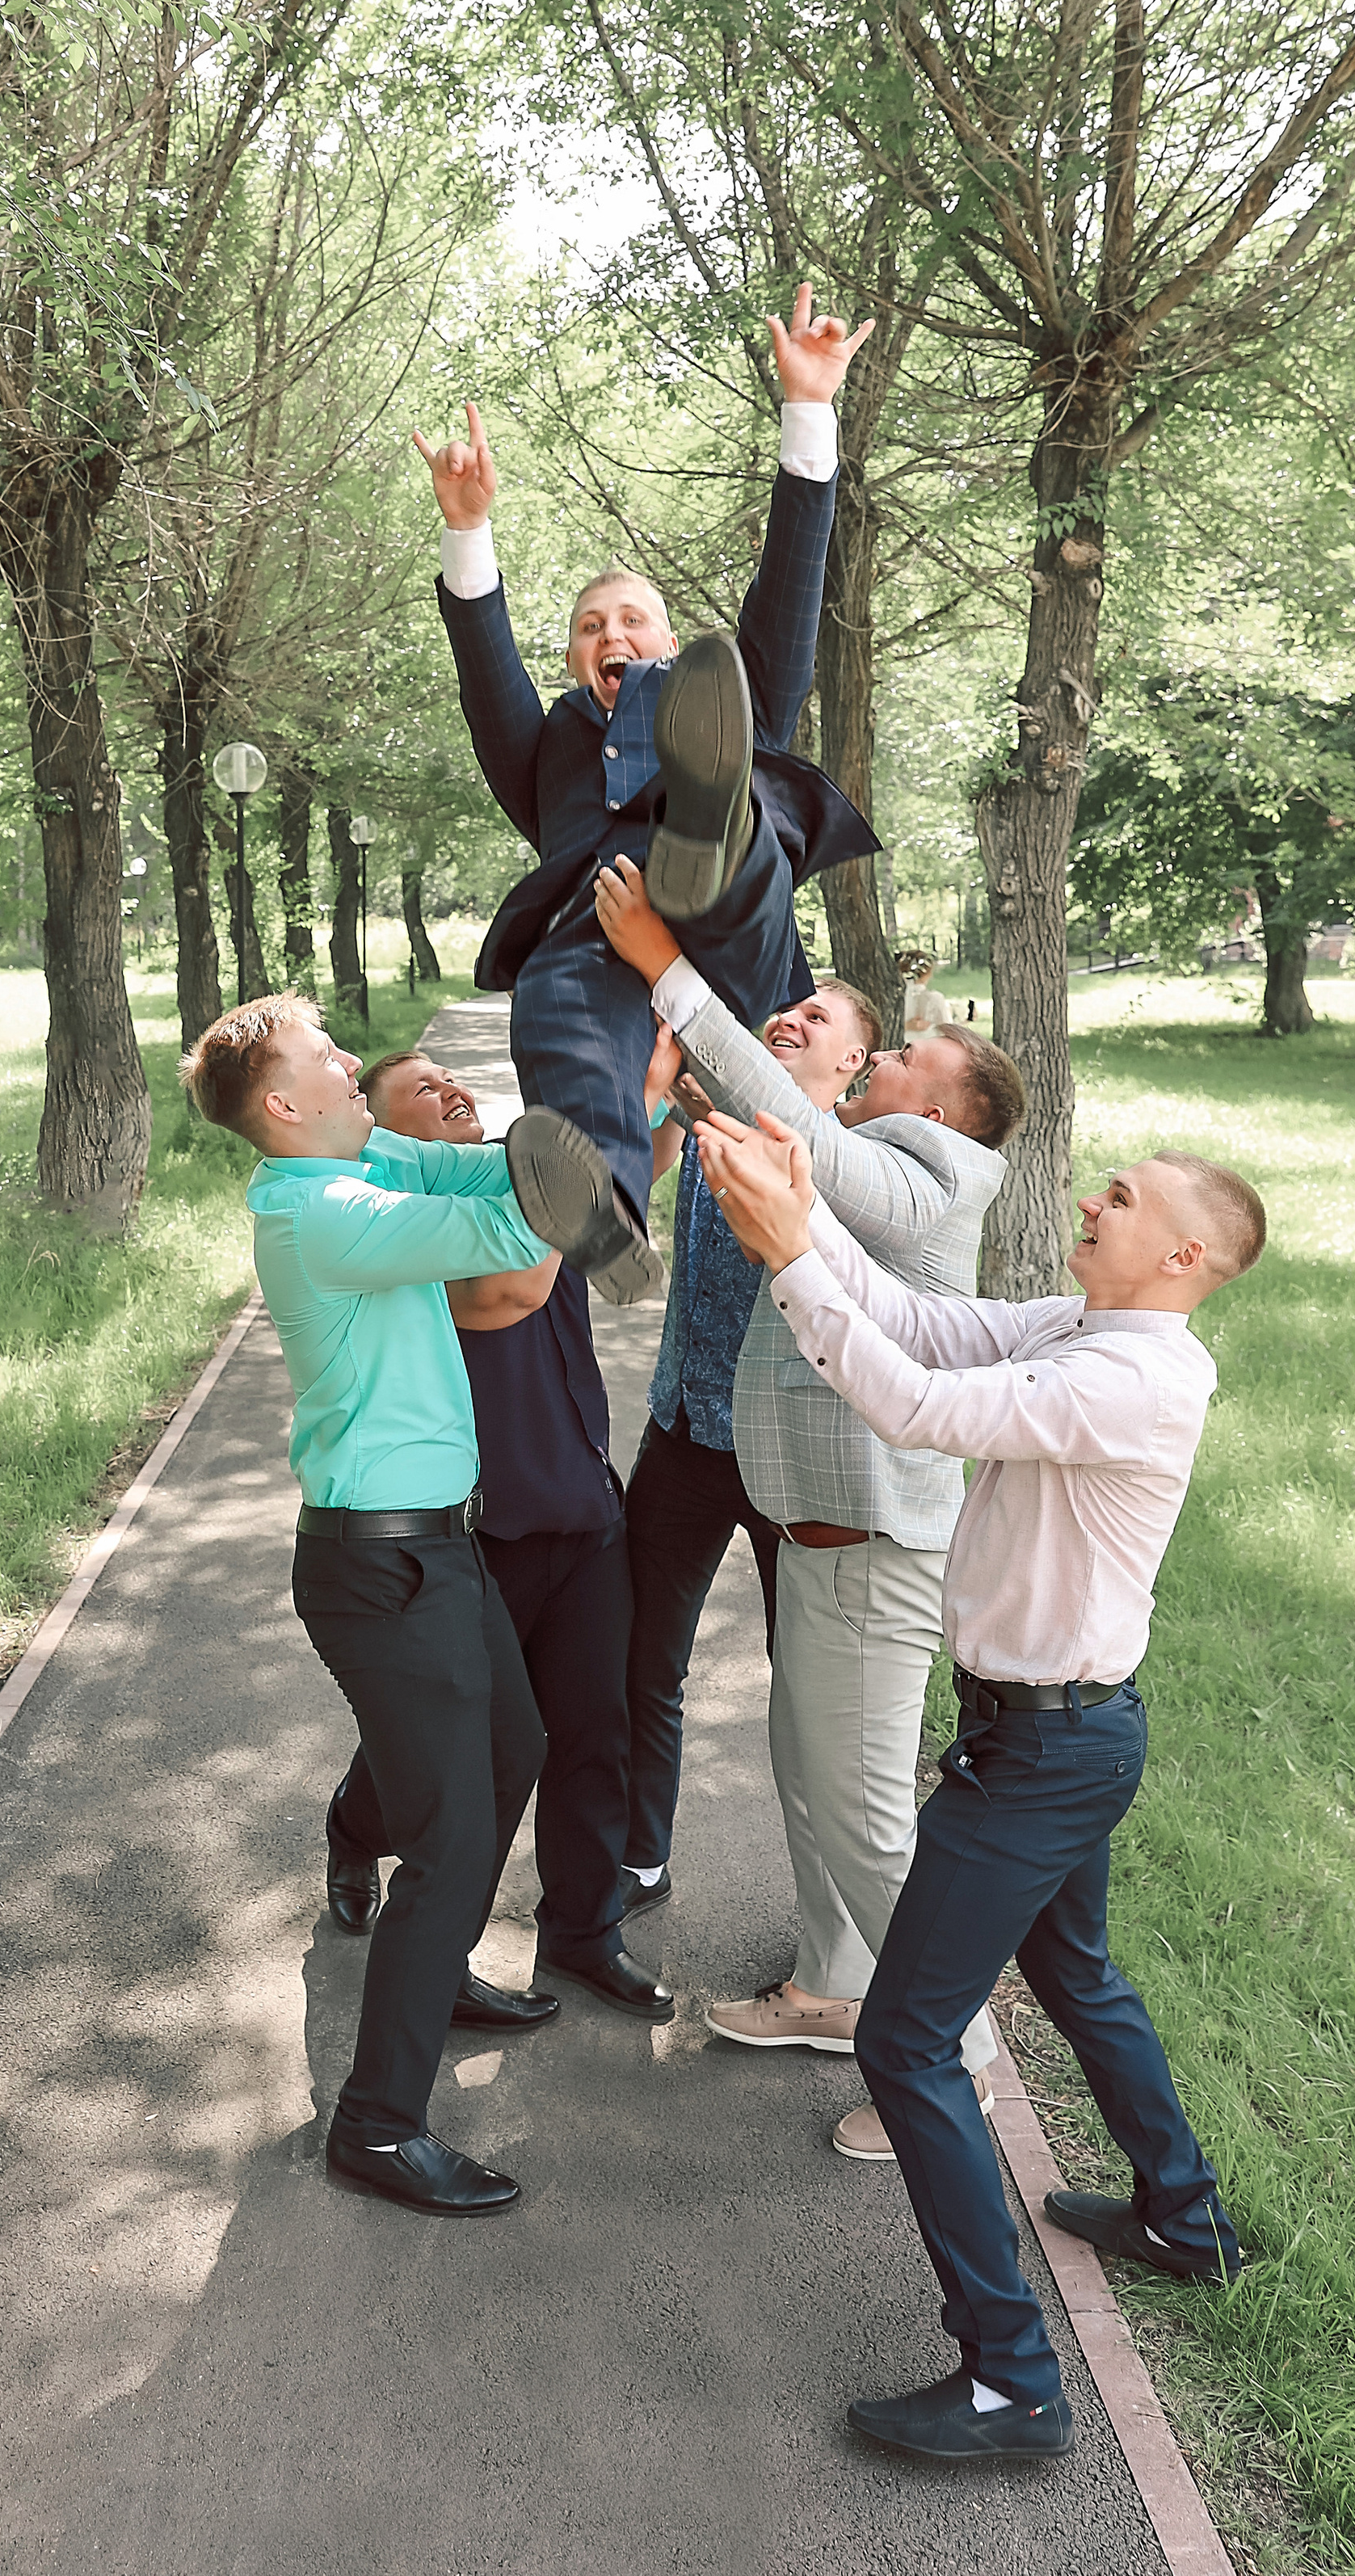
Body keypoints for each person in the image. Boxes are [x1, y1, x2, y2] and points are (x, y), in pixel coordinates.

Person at [696, 1110, 1260, 2464]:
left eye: (1121, 1197)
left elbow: (914, 1406)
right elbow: (918, 1323)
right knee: (1079, 1977)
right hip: (1062, 1737)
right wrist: (802, 1220)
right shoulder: (1086, 1327)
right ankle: (1184, 2218)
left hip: (1043, 1758)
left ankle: (1012, 2381)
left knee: (904, 2042)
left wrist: (787, 1254)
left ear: (1182, 1256)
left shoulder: (1135, 1379)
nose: (1093, 1202)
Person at [179, 993, 639, 2218]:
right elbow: (503, 1219)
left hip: (441, 1544)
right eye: (325, 1056)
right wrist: (600, 1115)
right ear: (284, 1105)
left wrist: (563, 1127)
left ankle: (431, 1969)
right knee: (449, 1840)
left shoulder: (366, 1158)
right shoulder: (319, 1212)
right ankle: (377, 2128)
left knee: (514, 1746)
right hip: (377, 1570)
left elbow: (479, 1166)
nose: (349, 1060)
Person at [596, 857, 1025, 2163]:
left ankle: (959, 2064)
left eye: (898, 1056)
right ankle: (835, 1991)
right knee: (814, 1788)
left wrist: (666, 963)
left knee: (869, 1823)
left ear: (939, 1104)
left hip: (874, 1551)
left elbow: (810, 1140)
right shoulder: (861, 1158)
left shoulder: (934, 1173)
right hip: (824, 1538)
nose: (881, 1061)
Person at [414, 286, 878, 1291]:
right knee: (553, 1005)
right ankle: (612, 1221)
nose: (611, 634)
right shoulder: (549, 745)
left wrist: (808, 410)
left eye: (631, 620)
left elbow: (789, 598)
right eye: (590, 626)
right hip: (599, 926)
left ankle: (704, 824)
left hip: (733, 913)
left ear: (666, 639)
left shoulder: (717, 695)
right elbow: (485, 673)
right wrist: (467, 530)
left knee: (736, 812)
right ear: (571, 658)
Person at [325, 1049, 673, 2022]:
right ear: (384, 1137)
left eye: (452, 1078)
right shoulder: (401, 1235)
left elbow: (637, 1181)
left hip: (585, 1514)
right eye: (421, 1090)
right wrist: (567, 1184)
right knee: (465, 1749)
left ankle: (582, 1934)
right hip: (480, 1532)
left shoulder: (518, 1192)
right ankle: (364, 1841)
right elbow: (503, 1296)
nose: (452, 1091)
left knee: (594, 1735)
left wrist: (656, 1105)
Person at [608, 981, 877, 1920]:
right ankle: (639, 1857)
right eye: (789, 1007)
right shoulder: (710, 1123)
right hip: (681, 1434)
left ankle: (839, 1912)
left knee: (808, 1688)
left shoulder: (852, 1166)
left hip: (791, 1462)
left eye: (820, 1017)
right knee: (641, 1659)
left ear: (851, 1062)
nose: (792, 1018)